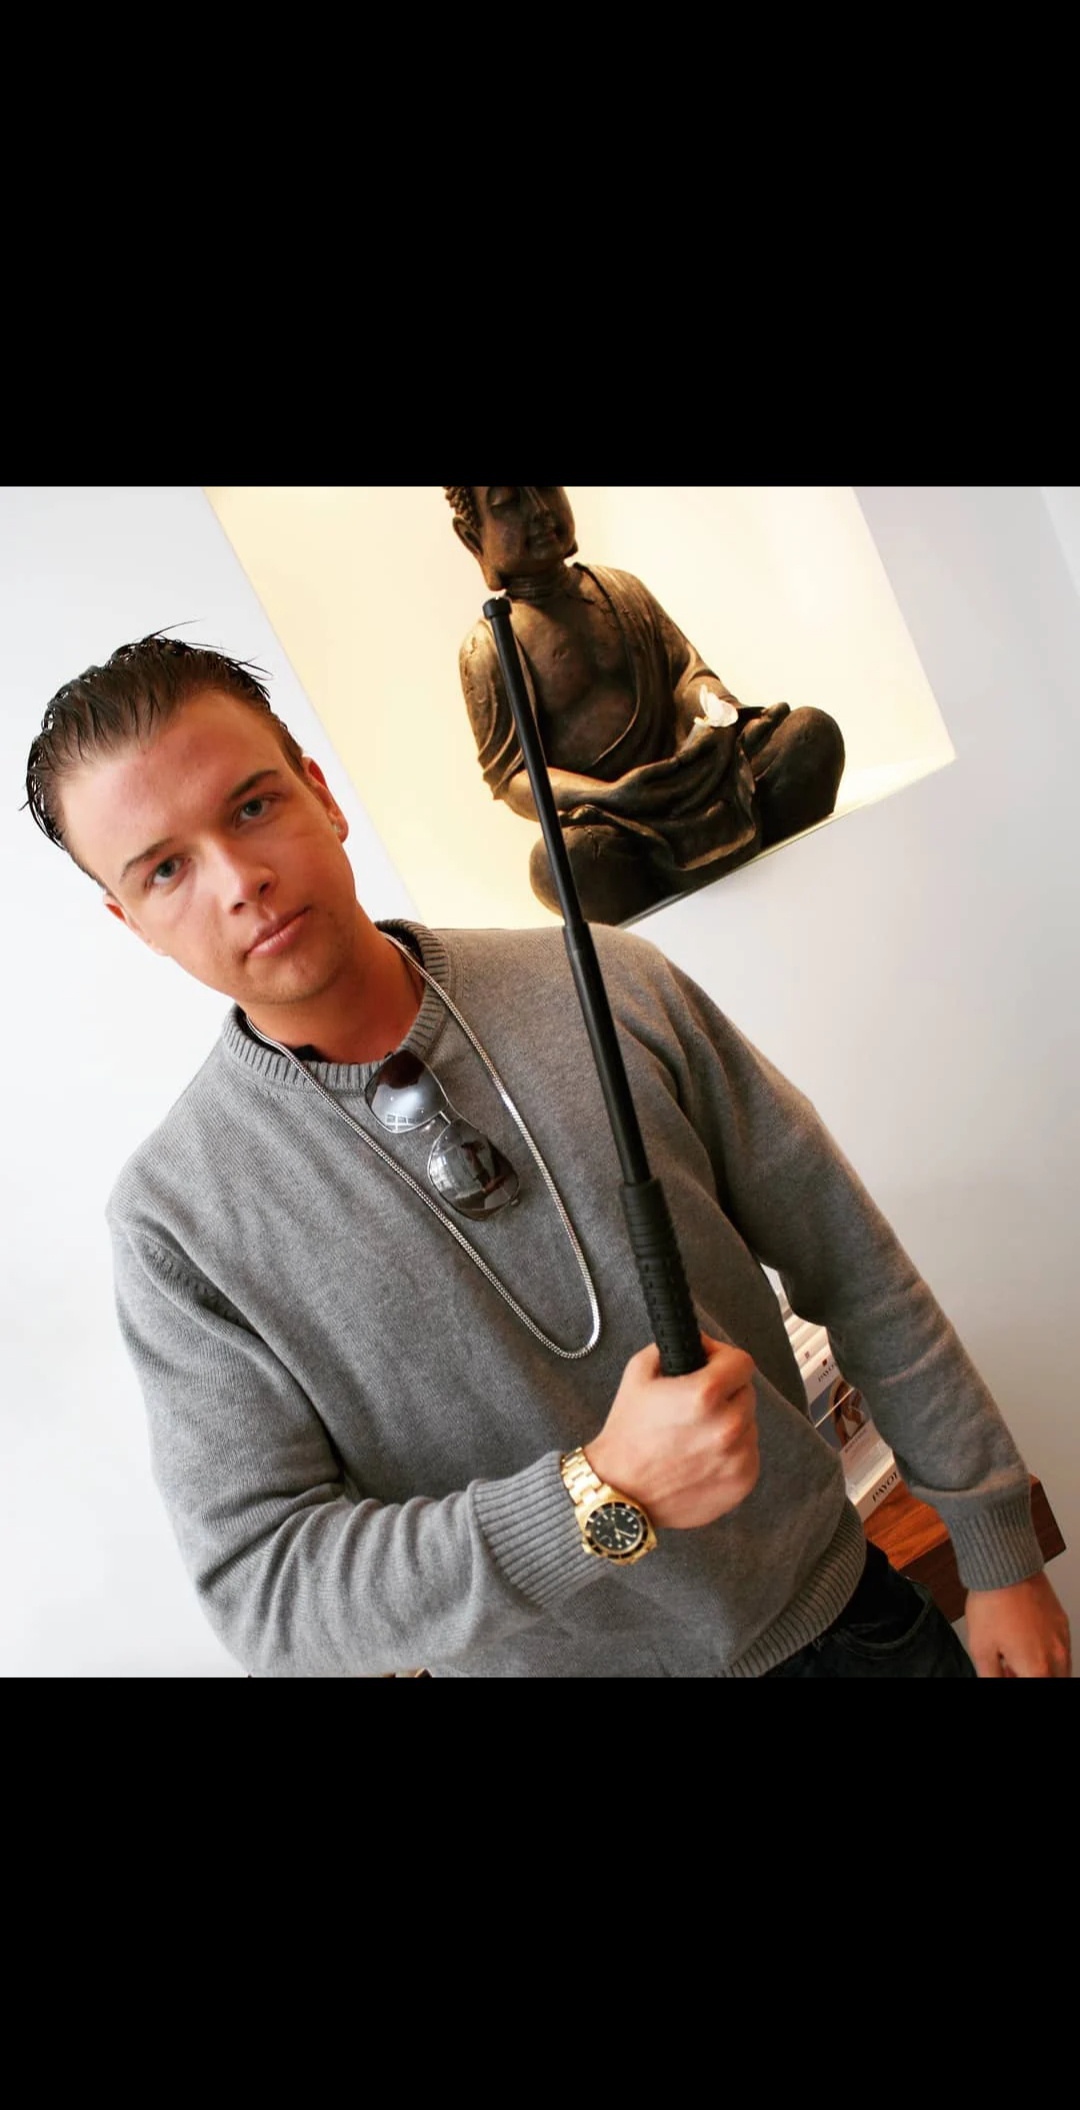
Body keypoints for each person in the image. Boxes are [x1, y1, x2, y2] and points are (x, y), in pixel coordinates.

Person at [24, 632, 1071, 1679]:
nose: (239, 879)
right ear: (132, 922)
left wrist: (997, 1551)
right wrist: (602, 1496)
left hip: (849, 1629)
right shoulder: (176, 1221)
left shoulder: (610, 982)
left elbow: (851, 1262)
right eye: (166, 869)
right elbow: (271, 1598)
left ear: (321, 794)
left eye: (253, 806)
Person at [445, 485, 847, 925]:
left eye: (546, 488)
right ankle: (666, 880)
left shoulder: (620, 588)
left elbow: (687, 673)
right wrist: (610, 794)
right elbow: (516, 778)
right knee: (561, 865)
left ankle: (735, 857)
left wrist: (718, 716)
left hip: (700, 776)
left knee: (810, 734)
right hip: (621, 821)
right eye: (509, 502)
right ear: (473, 538)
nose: (540, 510)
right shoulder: (489, 649)